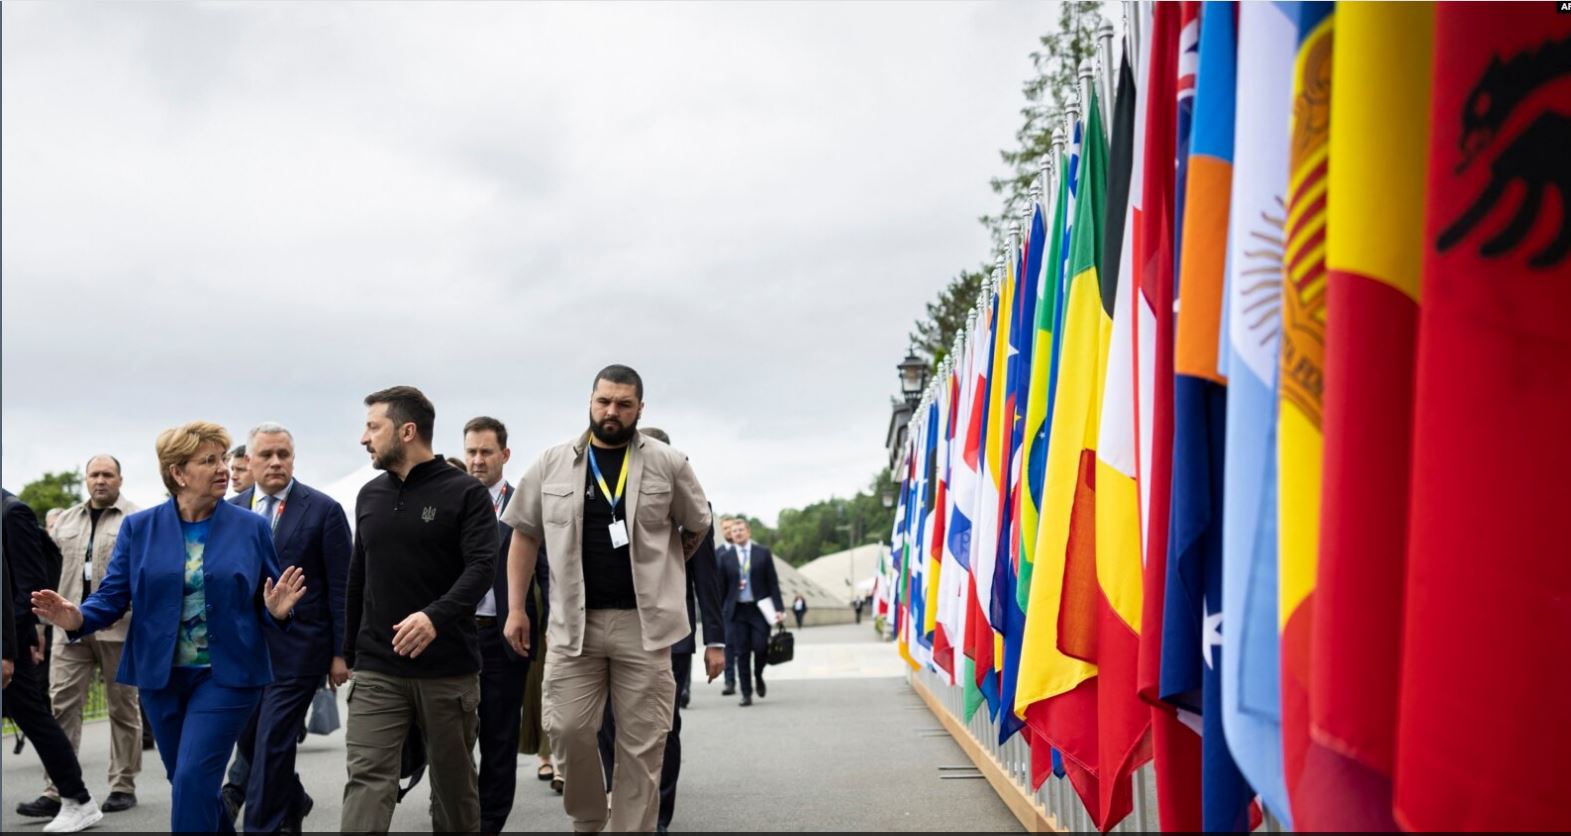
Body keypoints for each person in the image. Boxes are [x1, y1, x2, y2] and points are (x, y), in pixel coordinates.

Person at [31, 421, 307, 833]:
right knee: (188, 783)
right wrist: (77, 618)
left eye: (223, 459)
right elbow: (112, 596)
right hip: (160, 680)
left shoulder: (250, 527)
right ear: (178, 473)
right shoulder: (139, 528)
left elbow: (270, 599)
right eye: (208, 461)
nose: (222, 469)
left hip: (228, 677)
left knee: (194, 778)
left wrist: (278, 611)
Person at [502, 364, 714, 833]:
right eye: (604, 401)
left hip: (645, 627)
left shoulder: (669, 463)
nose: (611, 411)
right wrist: (516, 608)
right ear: (590, 402)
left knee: (643, 744)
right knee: (567, 728)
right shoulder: (550, 464)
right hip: (573, 627)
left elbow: (697, 524)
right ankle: (589, 817)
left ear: (640, 408)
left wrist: (669, 564)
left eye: (623, 403)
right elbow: (524, 536)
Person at [341, 386, 497, 834]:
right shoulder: (368, 495)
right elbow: (358, 575)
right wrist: (347, 652)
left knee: (453, 790)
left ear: (407, 431)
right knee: (367, 780)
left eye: (373, 426)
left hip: (447, 670)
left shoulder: (466, 494)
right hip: (376, 670)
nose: (364, 438)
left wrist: (434, 616)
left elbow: (482, 568)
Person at [221, 423, 351, 834]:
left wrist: (341, 653)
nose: (276, 462)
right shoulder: (230, 510)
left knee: (273, 742)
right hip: (243, 652)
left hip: (300, 651)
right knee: (249, 739)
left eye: (284, 454)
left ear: (293, 458)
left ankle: (260, 827)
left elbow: (341, 587)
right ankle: (294, 802)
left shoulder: (323, 510)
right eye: (266, 455)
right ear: (248, 462)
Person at [595, 427, 726, 834]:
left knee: (662, 727)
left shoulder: (691, 505)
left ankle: (657, 815)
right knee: (607, 721)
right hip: (609, 629)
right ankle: (619, 795)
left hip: (670, 634)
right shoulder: (604, 501)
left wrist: (715, 641)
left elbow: (707, 578)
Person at [18, 456, 143, 820]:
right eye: (94, 474)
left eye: (107, 474)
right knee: (61, 707)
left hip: (118, 628)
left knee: (123, 708)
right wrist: (36, 630)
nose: (100, 481)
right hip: (67, 630)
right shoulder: (66, 522)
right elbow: (43, 577)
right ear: (86, 479)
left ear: (120, 478)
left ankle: (122, 784)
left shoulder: (135, 519)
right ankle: (59, 789)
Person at [463, 415, 548, 835]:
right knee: (454, 738)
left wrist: (547, 629)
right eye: (471, 452)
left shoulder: (525, 506)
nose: (477, 461)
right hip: (454, 638)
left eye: (485, 452)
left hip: (503, 637)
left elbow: (546, 573)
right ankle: (458, 812)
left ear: (504, 455)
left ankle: (490, 822)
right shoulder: (450, 502)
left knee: (498, 737)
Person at [4, 489, 103, 834]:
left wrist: (9, 648)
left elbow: (27, 587)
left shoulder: (12, 512)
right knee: (36, 718)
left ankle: (78, 799)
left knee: (36, 719)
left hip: (10, 643)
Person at [719, 519, 784, 706]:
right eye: (734, 530)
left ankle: (758, 675)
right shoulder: (726, 557)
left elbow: (773, 582)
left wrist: (778, 609)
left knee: (761, 646)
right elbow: (721, 588)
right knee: (742, 652)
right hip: (737, 611)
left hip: (759, 610)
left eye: (740, 530)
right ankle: (746, 693)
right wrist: (720, 613)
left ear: (748, 532)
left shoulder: (762, 553)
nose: (737, 533)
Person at [716, 517, 741, 696]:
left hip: (748, 607)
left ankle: (750, 674)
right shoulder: (717, 553)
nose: (727, 531)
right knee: (729, 646)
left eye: (730, 527)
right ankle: (729, 680)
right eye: (724, 528)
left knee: (749, 646)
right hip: (727, 607)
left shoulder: (747, 551)